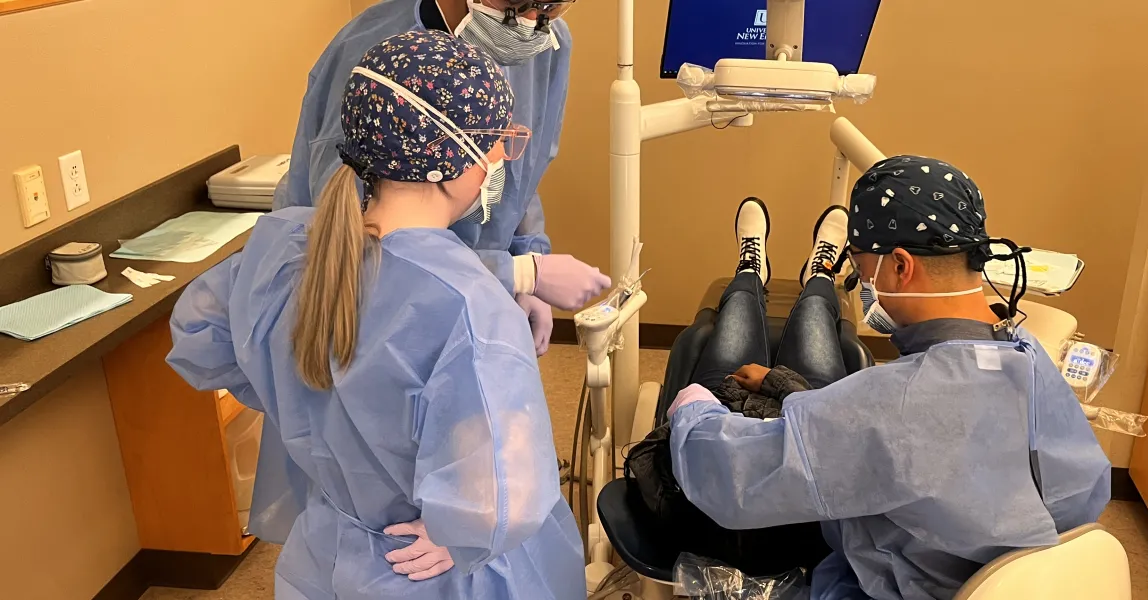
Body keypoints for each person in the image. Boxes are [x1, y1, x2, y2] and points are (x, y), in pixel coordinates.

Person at [167, 31, 583, 599]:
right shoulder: (469, 307)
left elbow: (201, 338)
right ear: (447, 161)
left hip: (330, 549)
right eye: (495, 144)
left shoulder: (288, 247)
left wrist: (308, 406)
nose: (496, 161)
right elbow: (505, 493)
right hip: (428, 567)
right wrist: (459, 533)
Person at [667, 156, 1112, 600]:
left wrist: (691, 406)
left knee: (727, 345)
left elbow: (729, 477)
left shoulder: (892, 405)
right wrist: (807, 402)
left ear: (900, 266)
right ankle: (813, 279)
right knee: (816, 324)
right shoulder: (1030, 355)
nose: (863, 288)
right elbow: (1072, 495)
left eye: (860, 271)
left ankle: (758, 275)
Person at [275, 0, 605, 351]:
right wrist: (516, 272)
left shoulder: (543, 43)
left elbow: (517, 176)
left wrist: (525, 255)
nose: (530, 20)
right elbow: (354, 244)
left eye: (550, 6)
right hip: (372, 316)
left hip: (476, 295)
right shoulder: (376, 60)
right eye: (518, 3)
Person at [624, 198, 855, 576]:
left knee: (738, 307)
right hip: (806, 432)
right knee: (814, 309)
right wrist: (778, 383)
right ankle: (822, 272)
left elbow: (688, 420)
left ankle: (750, 269)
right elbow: (829, 432)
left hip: (724, 404)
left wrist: (700, 401)